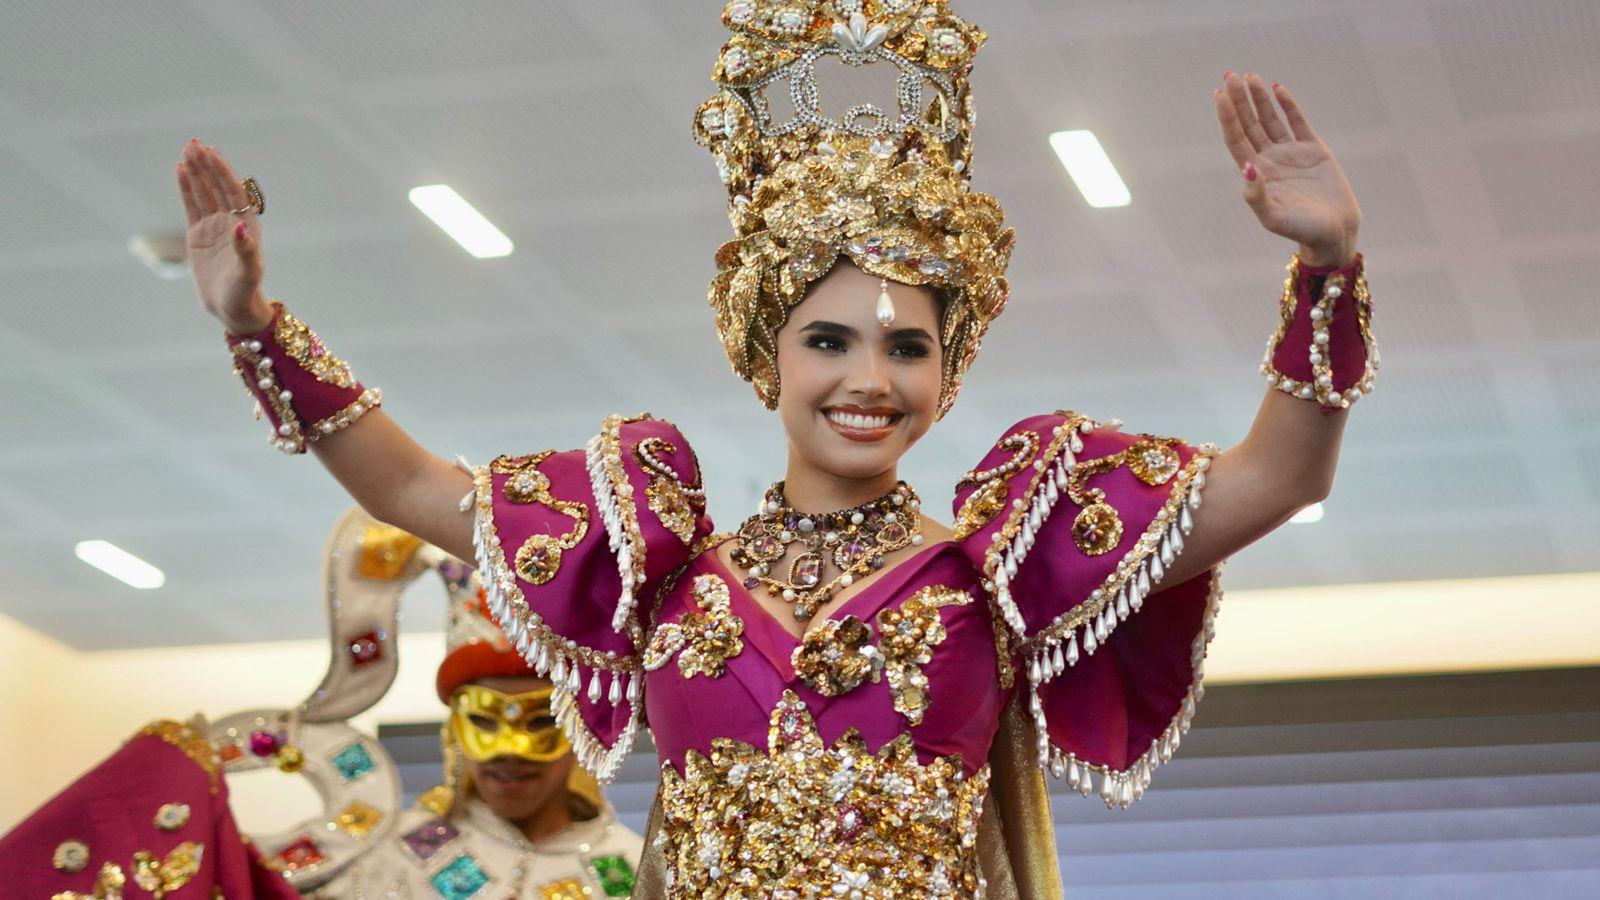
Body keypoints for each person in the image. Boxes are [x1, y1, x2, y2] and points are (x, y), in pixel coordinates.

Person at [173, 2, 1375, 896]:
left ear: (948, 376)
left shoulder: (998, 569)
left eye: (908, 348)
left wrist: (1327, 268)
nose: (868, 378)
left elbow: (1278, 475)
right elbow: (411, 485)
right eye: (830, 340)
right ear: (767, 358)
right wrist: (258, 331)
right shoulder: (658, 563)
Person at [316, 550, 643, 899]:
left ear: (582, 729)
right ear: (454, 727)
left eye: (542, 721)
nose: (509, 748)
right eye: (483, 721)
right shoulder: (391, 860)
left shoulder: (633, 872)